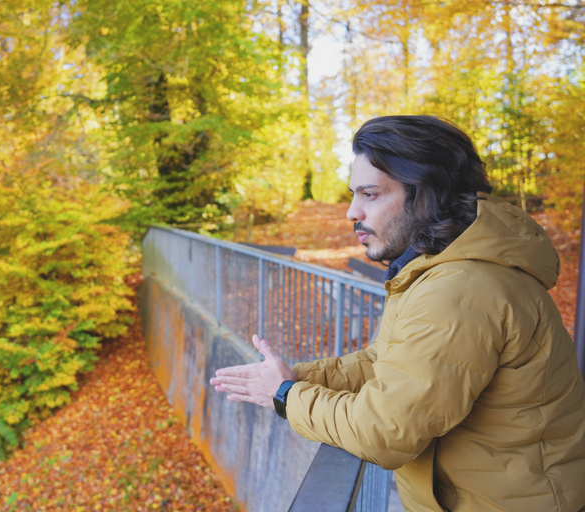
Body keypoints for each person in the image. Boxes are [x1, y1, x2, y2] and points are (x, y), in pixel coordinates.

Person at [210, 115, 585, 512]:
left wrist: (287, 396)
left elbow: (384, 432)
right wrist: (297, 378)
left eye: (370, 194)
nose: (351, 212)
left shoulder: (458, 290)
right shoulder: (443, 269)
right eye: (354, 194)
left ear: (426, 195)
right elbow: (391, 362)